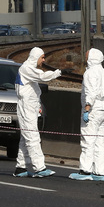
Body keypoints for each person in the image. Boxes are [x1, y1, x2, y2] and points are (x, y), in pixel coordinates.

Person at [14, 47, 62, 177]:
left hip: (31, 107)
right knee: (33, 137)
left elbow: (34, 92)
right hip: (26, 108)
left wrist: (38, 106)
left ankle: (20, 167)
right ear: (36, 57)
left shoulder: (29, 69)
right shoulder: (27, 69)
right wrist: (57, 73)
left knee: (26, 138)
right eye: (42, 57)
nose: (43, 60)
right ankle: (39, 168)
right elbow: (42, 76)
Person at [71, 48, 104, 181]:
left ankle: (85, 170)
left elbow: (91, 91)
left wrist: (87, 108)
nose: (86, 57)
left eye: (87, 55)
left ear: (91, 57)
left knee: (88, 140)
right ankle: (99, 172)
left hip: (93, 109)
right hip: (103, 110)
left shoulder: (90, 73)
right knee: (100, 142)